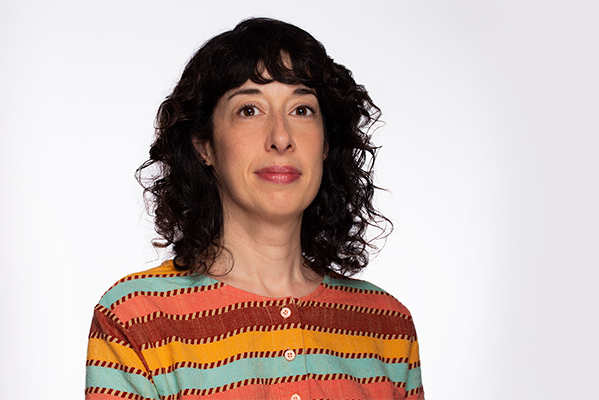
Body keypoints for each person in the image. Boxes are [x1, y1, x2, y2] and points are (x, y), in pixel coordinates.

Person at [85, 17, 424, 400]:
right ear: (203, 144)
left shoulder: (388, 326)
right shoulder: (136, 319)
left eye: (302, 110)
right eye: (249, 110)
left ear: (326, 144)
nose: (281, 137)